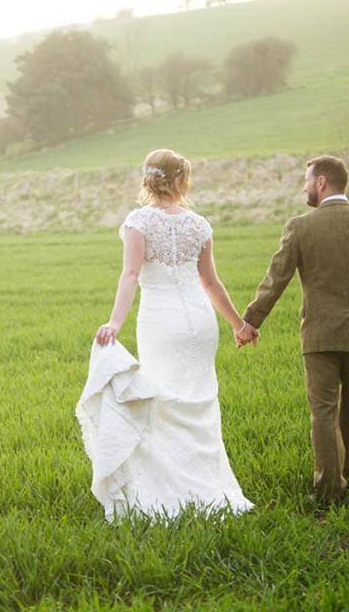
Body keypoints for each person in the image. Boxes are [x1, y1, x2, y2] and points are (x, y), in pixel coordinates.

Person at [82, 148, 254, 522]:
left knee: (163, 404)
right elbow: (211, 282)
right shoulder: (199, 225)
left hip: (161, 322)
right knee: (201, 402)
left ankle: (172, 493)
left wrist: (114, 323)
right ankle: (212, 490)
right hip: (199, 322)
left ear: (149, 180)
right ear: (181, 180)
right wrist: (238, 324)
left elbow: (130, 276)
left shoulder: (137, 222)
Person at [239, 155, 349, 504]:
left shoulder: (300, 226)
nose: (304, 186)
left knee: (323, 410)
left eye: (307, 180)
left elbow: (275, 280)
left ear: (322, 182)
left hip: (321, 335)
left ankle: (329, 490)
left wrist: (250, 321)